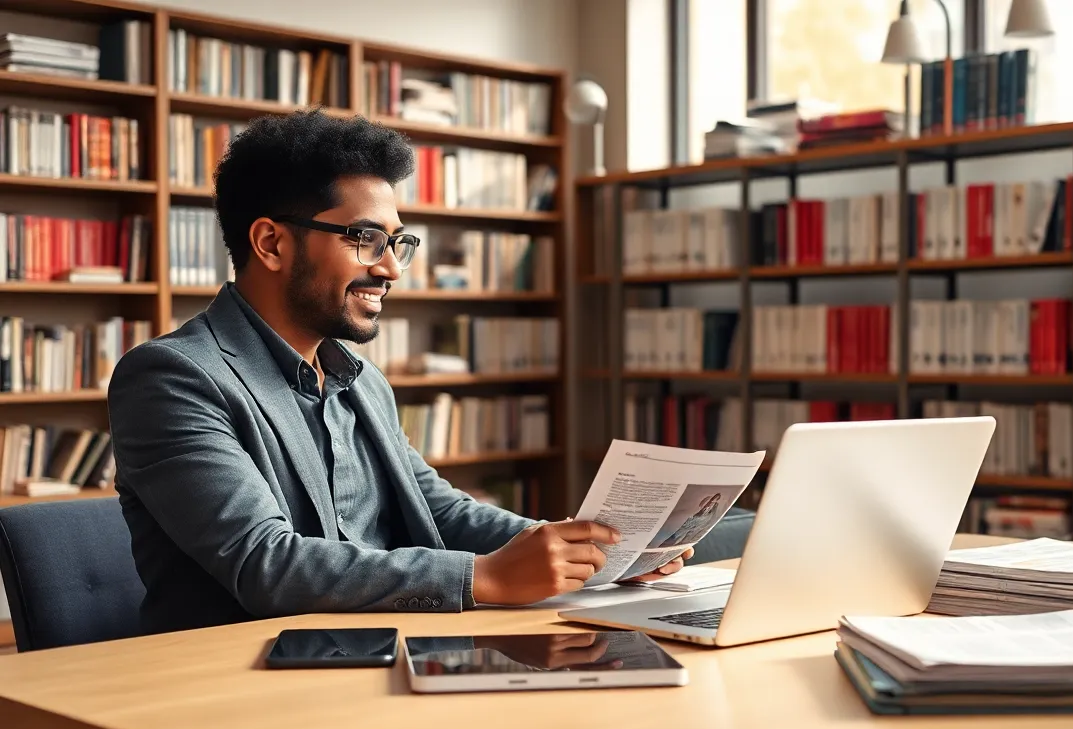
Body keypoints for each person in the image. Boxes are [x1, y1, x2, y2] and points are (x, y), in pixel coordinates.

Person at [107, 109, 690, 634]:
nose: (390, 268)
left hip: (383, 649)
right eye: (365, 239)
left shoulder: (360, 377)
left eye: (397, 242)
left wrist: (585, 551)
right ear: (271, 243)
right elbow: (267, 564)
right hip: (241, 679)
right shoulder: (172, 378)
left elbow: (438, 508)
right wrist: (480, 577)